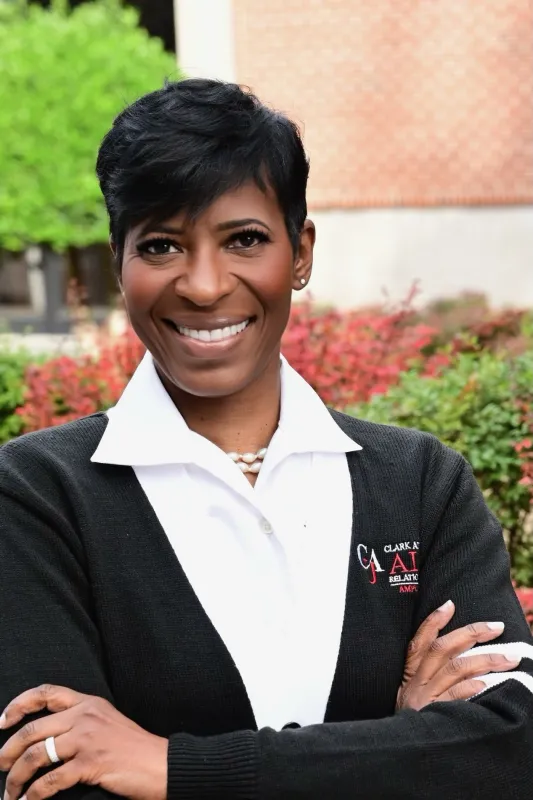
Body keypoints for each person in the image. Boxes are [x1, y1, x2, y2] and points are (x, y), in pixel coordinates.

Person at [0, 78, 532, 800]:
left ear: (300, 252)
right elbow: (57, 785)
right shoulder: (37, 495)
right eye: (161, 245)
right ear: (119, 262)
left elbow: (509, 750)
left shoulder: (419, 483)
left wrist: (170, 767)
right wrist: (398, 740)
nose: (204, 285)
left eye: (244, 239)